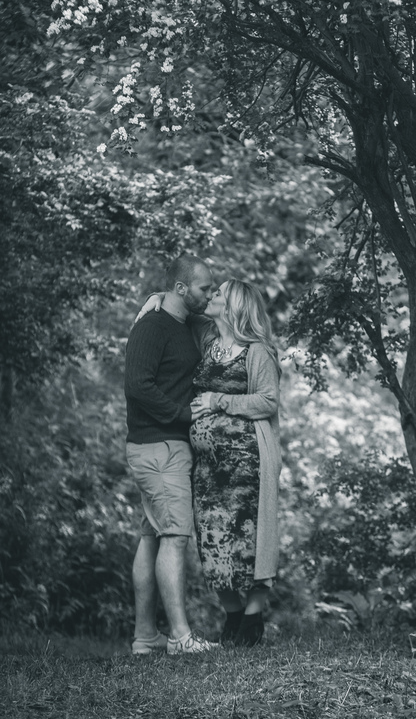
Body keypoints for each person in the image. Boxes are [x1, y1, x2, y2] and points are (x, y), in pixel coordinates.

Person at [139, 278, 282, 647]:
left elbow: (267, 401)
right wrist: (158, 297)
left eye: (218, 293)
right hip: (207, 471)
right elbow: (182, 308)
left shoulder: (257, 352)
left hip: (247, 469)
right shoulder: (209, 340)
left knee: (249, 544)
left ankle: (250, 622)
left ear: (233, 305)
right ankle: (234, 614)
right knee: (214, 543)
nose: (211, 296)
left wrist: (219, 400)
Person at [124, 253, 217, 655]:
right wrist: (182, 415)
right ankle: (180, 638)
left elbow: (217, 322)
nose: (210, 294)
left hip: (162, 446)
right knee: (176, 537)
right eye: (204, 288)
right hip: (158, 445)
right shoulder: (154, 326)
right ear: (181, 289)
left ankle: (146, 638)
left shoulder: (185, 322)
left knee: (151, 536)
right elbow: (138, 386)